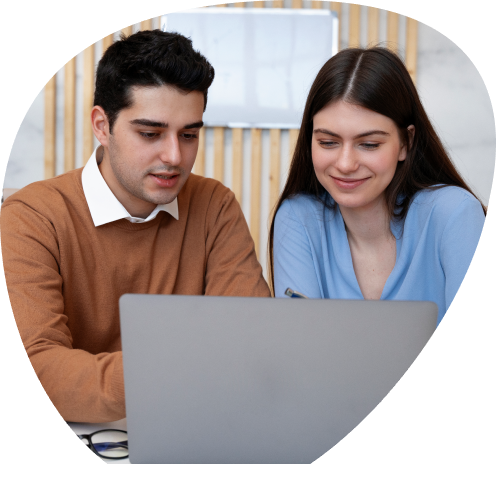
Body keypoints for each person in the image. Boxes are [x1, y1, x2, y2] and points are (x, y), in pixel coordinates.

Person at [0, 30, 270, 423]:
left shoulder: (214, 204)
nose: (174, 156)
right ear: (102, 125)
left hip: (189, 427)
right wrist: (177, 371)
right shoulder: (32, 216)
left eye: (189, 135)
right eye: (150, 133)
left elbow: (251, 341)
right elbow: (39, 367)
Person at [269, 47, 486, 328]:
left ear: (405, 143)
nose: (345, 164)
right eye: (328, 142)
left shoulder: (455, 214)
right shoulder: (298, 218)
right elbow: (300, 343)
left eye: (369, 144)